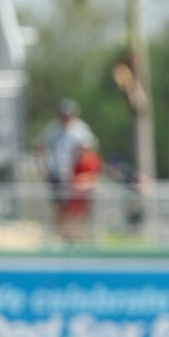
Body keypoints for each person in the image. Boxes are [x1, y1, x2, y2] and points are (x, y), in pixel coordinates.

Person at [38, 98, 95, 237]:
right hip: (57, 175)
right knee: (60, 208)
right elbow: (40, 148)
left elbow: (89, 150)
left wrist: (83, 171)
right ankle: (60, 236)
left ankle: (72, 237)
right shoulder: (53, 130)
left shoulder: (81, 129)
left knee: (74, 210)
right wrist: (43, 168)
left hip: (74, 176)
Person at [59, 137, 102, 243]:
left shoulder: (94, 159)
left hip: (86, 194)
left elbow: (94, 176)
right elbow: (72, 175)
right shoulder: (77, 160)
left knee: (81, 217)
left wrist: (83, 181)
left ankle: (81, 238)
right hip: (76, 194)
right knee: (71, 216)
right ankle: (71, 237)